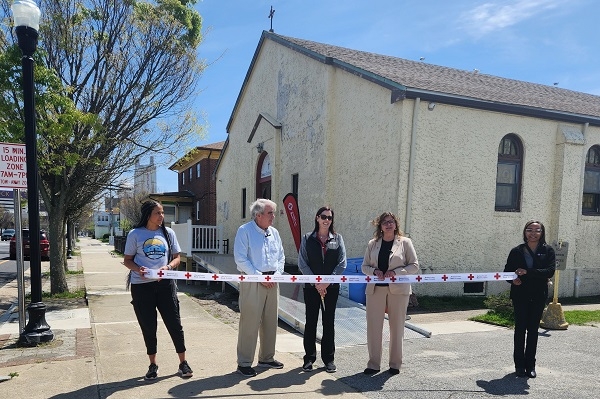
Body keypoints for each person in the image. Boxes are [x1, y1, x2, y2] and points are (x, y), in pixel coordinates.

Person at [123, 200, 193, 381]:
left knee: (175, 324)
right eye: (157, 213)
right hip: (142, 287)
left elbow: (177, 257)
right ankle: (153, 365)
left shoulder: (168, 233)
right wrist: (139, 269)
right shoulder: (135, 234)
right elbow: (127, 260)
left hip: (165, 285)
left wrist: (168, 268)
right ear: (148, 214)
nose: (161, 216)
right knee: (148, 327)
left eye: (162, 213)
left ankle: (183, 363)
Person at [361, 212, 419, 376]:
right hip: (375, 290)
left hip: (398, 290)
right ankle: (373, 364)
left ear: (396, 225)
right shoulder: (373, 244)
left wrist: (397, 272)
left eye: (391, 221)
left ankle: (395, 364)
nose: (388, 224)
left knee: (397, 327)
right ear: (380, 226)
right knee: (374, 328)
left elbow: (414, 266)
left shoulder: (405, 243)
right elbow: (364, 267)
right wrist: (374, 271)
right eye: (385, 222)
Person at [234, 198, 286, 377]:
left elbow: (281, 256)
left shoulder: (274, 233)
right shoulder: (245, 231)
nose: (273, 216)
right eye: (270, 213)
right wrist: (259, 276)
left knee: (271, 322)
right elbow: (240, 258)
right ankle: (244, 362)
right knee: (250, 322)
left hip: (273, 281)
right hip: (253, 281)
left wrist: (276, 275)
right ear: (258, 215)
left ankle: (266, 358)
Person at [504, 220, 555, 379]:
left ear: (542, 232)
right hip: (520, 294)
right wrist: (513, 279)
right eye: (529, 230)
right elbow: (507, 272)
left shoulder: (548, 250)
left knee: (533, 330)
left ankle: (530, 365)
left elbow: (549, 271)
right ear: (525, 232)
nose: (533, 233)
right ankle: (519, 366)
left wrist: (527, 272)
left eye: (537, 230)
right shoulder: (517, 251)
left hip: (538, 294)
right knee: (520, 329)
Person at [298, 206, 347, 373]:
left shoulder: (338, 239)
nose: (327, 220)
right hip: (312, 288)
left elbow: (342, 263)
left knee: (329, 322)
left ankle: (329, 359)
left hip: (331, 288)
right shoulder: (307, 238)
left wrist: (326, 283)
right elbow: (302, 263)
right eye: (324, 217)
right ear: (317, 218)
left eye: (330, 218)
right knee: (311, 322)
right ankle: (309, 359)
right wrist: (316, 284)